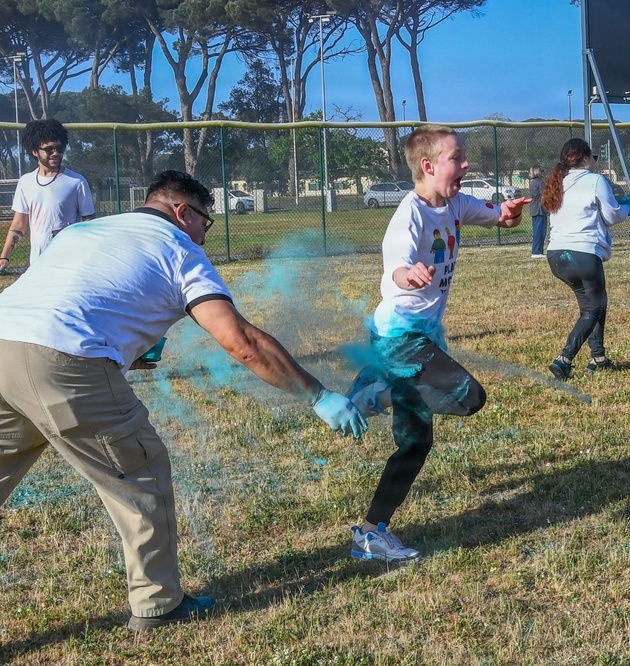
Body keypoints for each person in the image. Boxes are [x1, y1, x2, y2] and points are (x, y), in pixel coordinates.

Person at [0, 170, 366, 632]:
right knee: (141, 473)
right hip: (66, 360)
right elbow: (241, 341)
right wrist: (319, 395)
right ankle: (158, 604)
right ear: (182, 212)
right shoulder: (179, 248)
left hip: (3, 342)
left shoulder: (84, 230)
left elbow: (68, 295)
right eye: (205, 224)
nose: (203, 237)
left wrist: (120, 343)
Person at [344, 125, 528, 563]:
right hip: (399, 337)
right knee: (469, 396)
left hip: (415, 336)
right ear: (428, 166)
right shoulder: (408, 216)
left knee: (415, 444)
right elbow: (395, 268)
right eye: (457, 159)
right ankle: (381, 394)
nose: (466, 165)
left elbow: (497, 216)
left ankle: (370, 533)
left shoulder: (454, 203)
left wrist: (509, 212)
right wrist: (409, 275)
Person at [543, 137, 630, 379]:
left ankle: (599, 358)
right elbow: (612, 216)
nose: (595, 161)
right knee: (593, 309)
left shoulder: (557, 182)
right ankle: (564, 359)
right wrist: (628, 207)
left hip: (556, 256)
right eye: (594, 157)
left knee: (593, 305)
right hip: (583, 254)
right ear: (584, 158)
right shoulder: (595, 181)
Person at [0, 118, 95, 272]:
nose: (56, 153)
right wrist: (4, 257)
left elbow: (90, 222)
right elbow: (18, 225)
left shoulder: (77, 182)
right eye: (49, 149)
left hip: (69, 265)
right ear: (35, 151)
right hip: (37, 264)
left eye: (60, 148)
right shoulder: (26, 182)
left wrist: (78, 230)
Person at [528, 164, 547, 258]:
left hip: (534, 209)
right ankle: (537, 252)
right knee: (540, 231)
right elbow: (545, 194)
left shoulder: (533, 182)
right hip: (540, 210)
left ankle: (537, 251)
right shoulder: (540, 182)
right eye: (542, 171)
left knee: (537, 231)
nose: (543, 173)